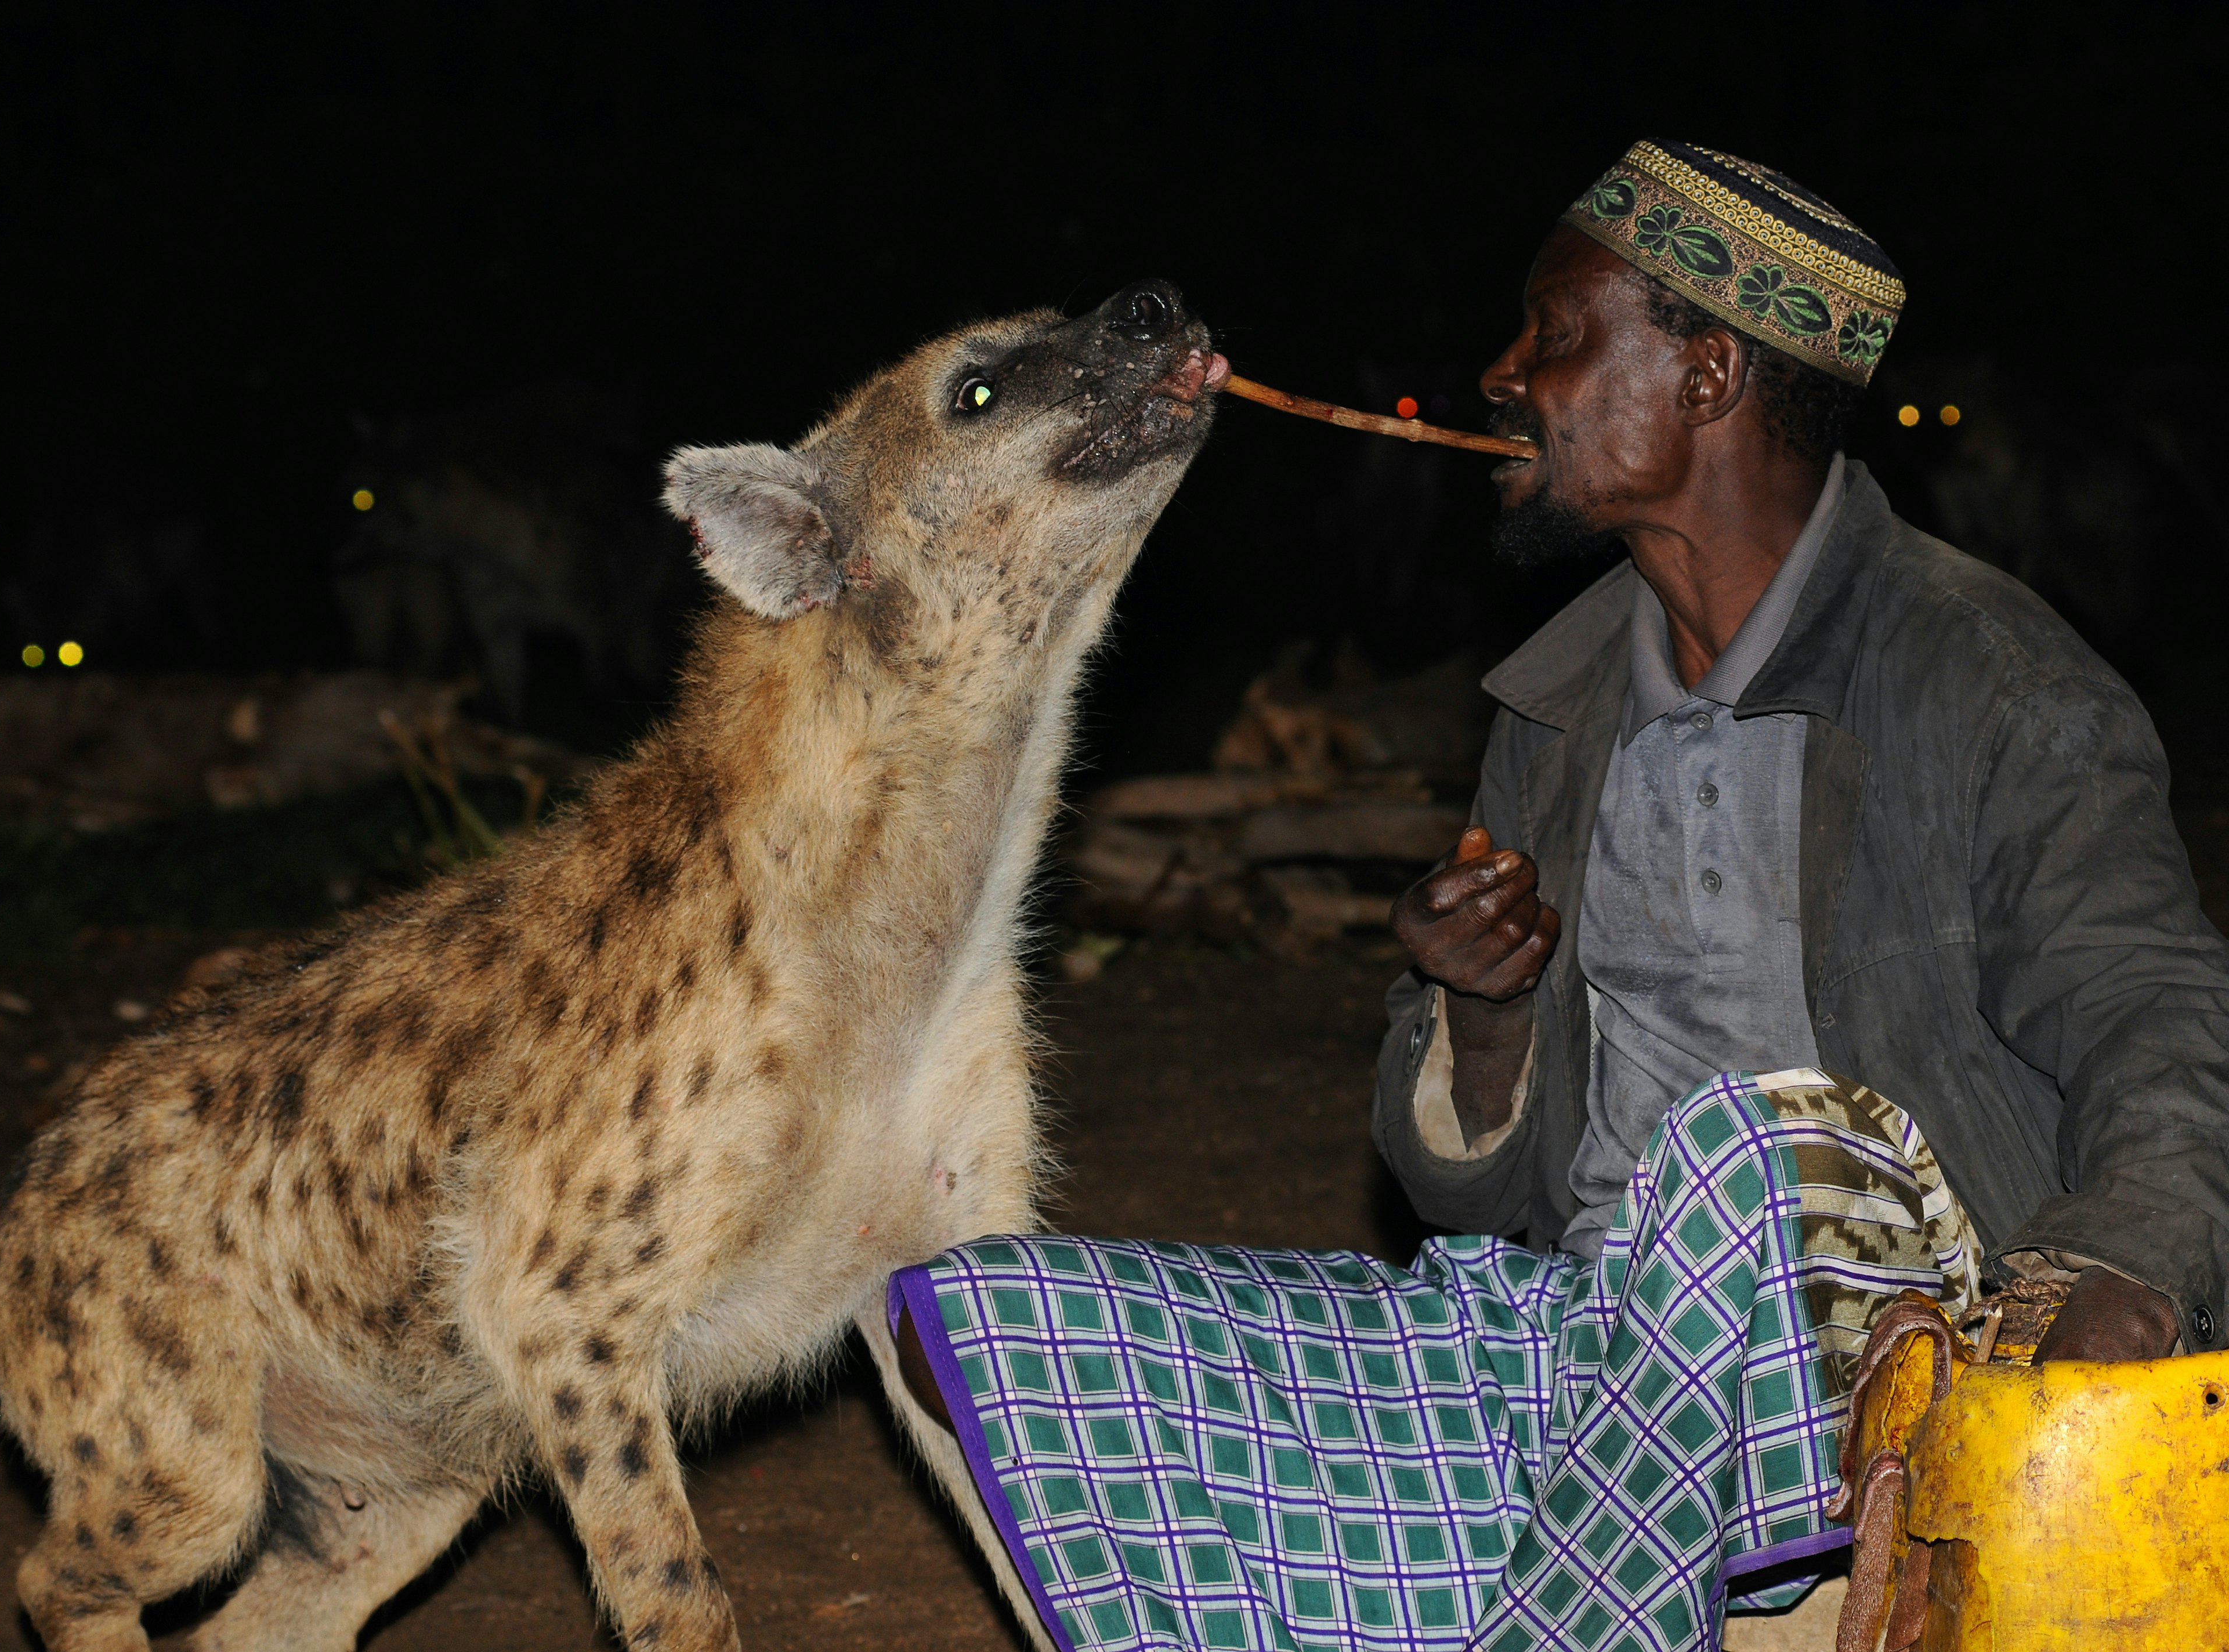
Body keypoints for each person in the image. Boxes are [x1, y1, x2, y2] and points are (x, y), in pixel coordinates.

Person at [893, 140, 2229, 1652]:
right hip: (1589, 1363)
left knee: (1751, 1151)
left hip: (1876, 1391)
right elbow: (1478, 1199)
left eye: (1559, 334)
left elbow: (2156, 1014)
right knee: (999, 1323)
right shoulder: (1558, 707)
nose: (1505, 370)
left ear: (1712, 377)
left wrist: (2124, 1268)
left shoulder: (1986, 680)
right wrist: (1483, 1020)